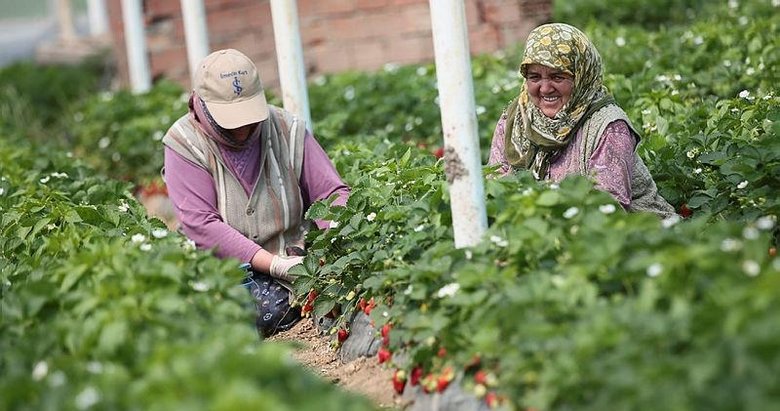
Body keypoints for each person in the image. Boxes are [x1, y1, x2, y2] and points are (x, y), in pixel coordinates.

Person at [162, 49, 350, 336]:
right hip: (228, 274)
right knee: (230, 315)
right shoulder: (184, 144)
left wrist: (341, 239)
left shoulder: (288, 128)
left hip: (297, 260)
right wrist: (274, 264)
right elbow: (201, 224)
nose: (244, 127)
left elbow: (330, 192)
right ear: (202, 105)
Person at [488, 23, 675, 218]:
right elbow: (496, 186)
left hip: (632, 233)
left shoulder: (609, 127)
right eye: (534, 77)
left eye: (557, 77)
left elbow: (607, 209)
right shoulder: (515, 120)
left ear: (581, 76)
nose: (544, 89)